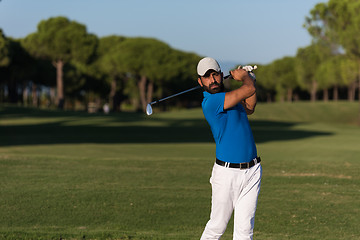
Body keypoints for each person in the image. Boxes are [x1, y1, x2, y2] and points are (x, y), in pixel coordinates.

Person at [197, 57, 262, 240]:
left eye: (215, 74)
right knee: (217, 227)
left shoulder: (231, 98)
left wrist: (250, 78)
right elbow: (248, 89)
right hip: (227, 175)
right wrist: (245, 78)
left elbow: (249, 106)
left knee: (244, 231)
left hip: (252, 171)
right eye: (207, 77)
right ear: (200, 81)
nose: (213, 80)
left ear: (221, 74)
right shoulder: (211, 102)